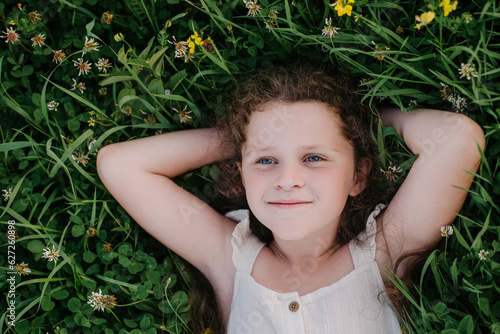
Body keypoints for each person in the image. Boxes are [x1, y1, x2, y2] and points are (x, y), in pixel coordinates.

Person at [96, 60, 484, 333]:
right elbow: (121, 165)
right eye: (266, 160)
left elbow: (456, 140)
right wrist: (242, 136)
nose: (287, 178)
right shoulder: (231, 264)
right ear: (241, 174)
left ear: (358, 175)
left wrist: (364, 122)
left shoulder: (384, 255)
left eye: (314, 157)